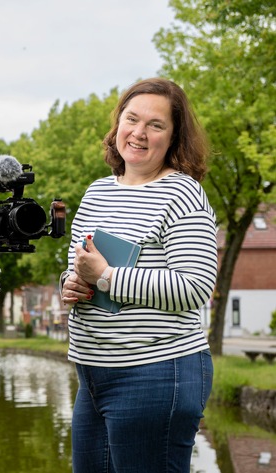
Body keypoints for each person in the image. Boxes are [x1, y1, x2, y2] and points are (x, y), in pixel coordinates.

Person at [60, 78, 218, 472]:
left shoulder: (183, 193)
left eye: (156, 125)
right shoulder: (97, 192)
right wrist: (72, 285)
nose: (139, 133)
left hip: (157, 373)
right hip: (93, 374)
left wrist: (107, 277)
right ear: (118, 125)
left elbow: (195, 287)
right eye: (132, 119)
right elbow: (76, 267)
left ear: (174, 137)